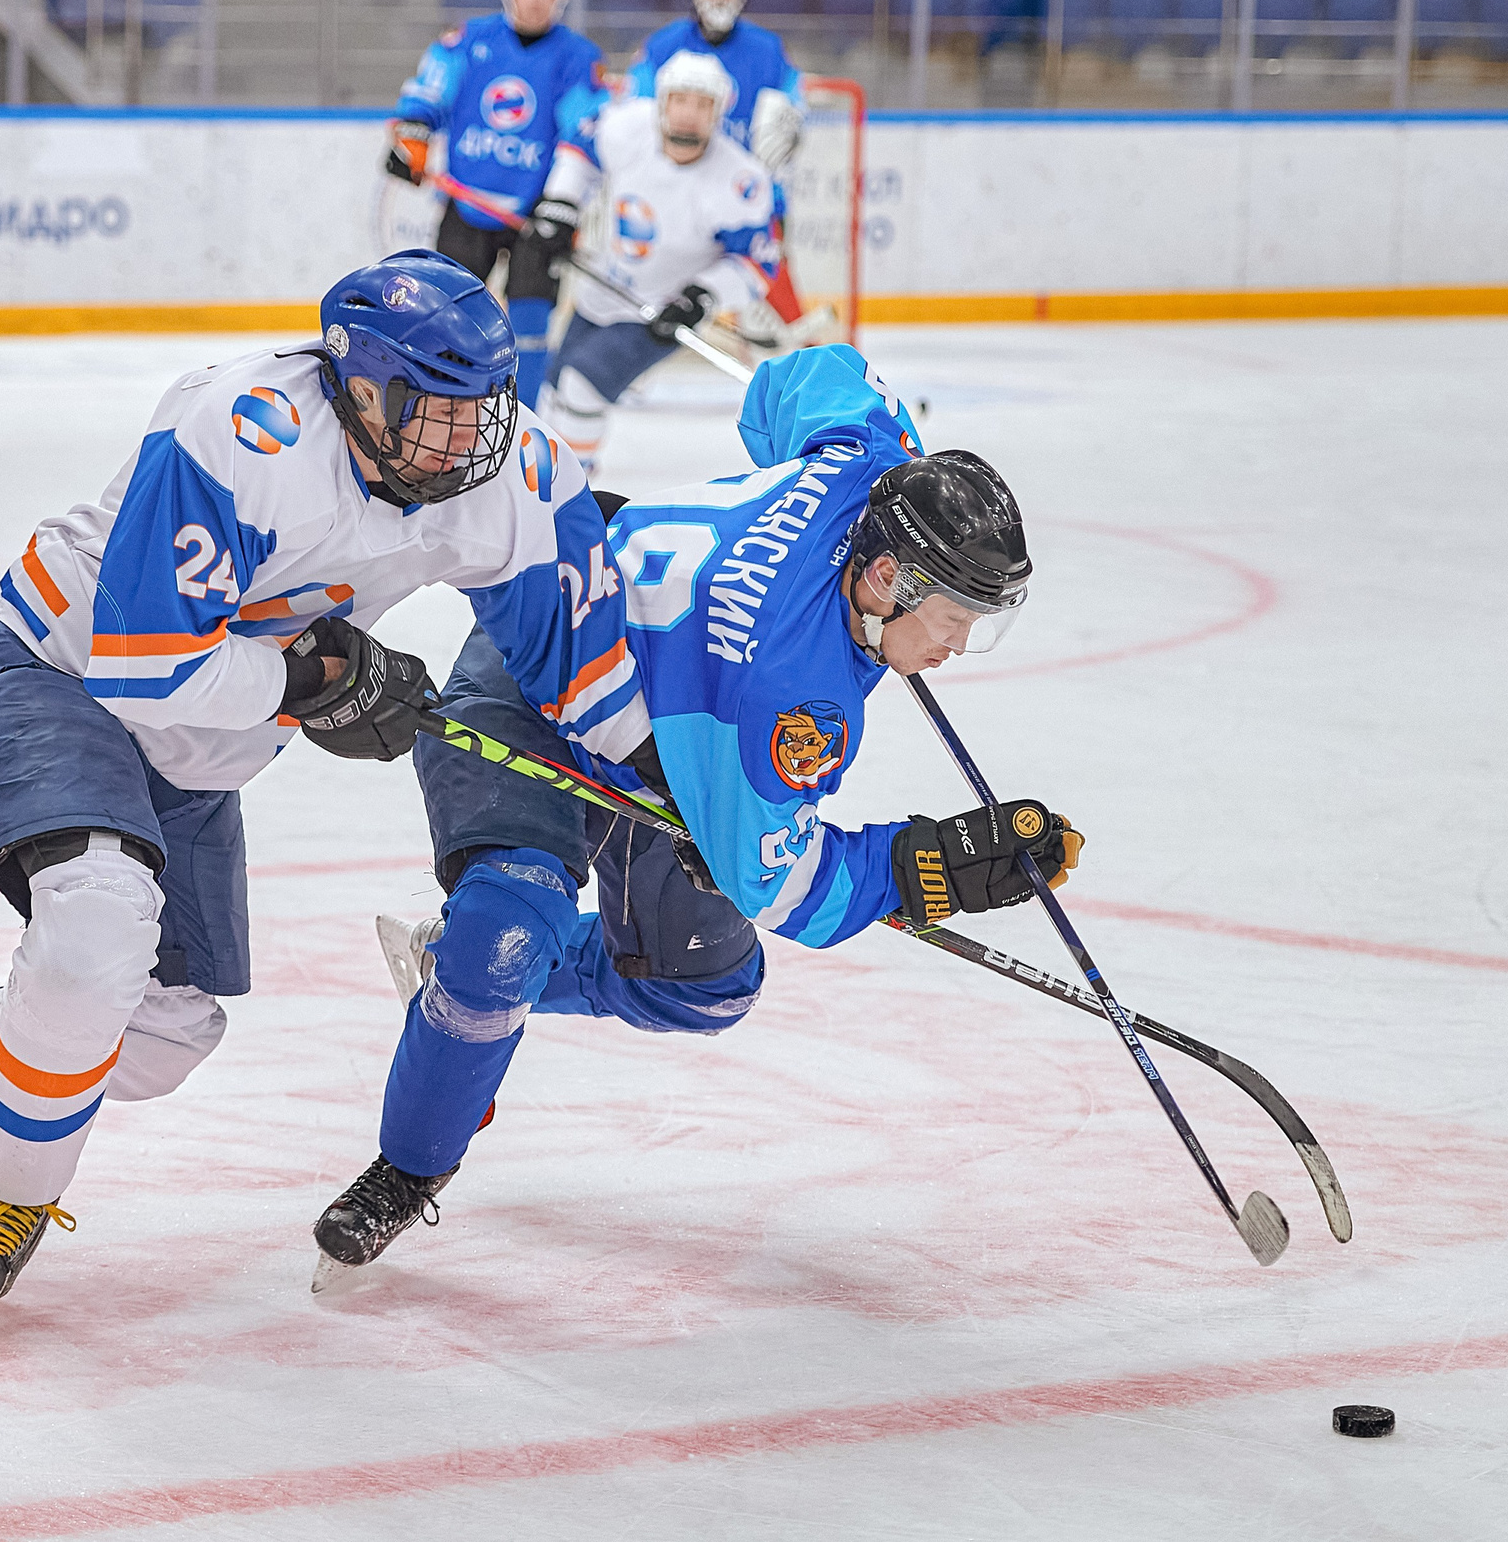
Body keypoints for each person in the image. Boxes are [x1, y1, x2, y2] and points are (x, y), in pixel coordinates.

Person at [0, 250, 631, 1327]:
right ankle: (13, 1202)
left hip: (196, 750)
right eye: (434, 412)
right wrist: (314, 680)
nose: (465, 442)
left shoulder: (508, 478)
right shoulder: (237, 431)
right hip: (55, 671)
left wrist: (684, 801)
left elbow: (589, 680)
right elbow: (145, 661)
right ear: (357, 385)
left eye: (480, 411)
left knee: (169, 1032)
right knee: (94, 928)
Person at [310, 345, 1083, 1282]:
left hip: (677, 736)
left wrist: (895, 470)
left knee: (701, 982)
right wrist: (923, 869)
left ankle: (457, 971)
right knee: (504, 935)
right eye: (956, 618)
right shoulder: (791, 701)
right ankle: (409, 1164)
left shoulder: (868, 461)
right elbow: (778, 883)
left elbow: (802, 377)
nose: (962, 645)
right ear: (884, 580)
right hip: (544, 679)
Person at [383, 0, 608, 410]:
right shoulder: (468, 40)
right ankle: (437, 404)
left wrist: (562, 204)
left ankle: (525, 419)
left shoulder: (576, 57)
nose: (535, 0)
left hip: (535, 210)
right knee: (446, 312)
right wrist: (413, 141)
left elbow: (582, 135)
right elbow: (427, 97)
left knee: (529, 318)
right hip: (467, 204)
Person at [533, 50, 777, 476]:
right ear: (662, 102)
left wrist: (702, 297)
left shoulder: (740, 180)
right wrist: (560, 206)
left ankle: (569, 495)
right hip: (601, 291)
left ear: (718, 112)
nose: (688, 115)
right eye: (680, 101)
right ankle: (544, 482)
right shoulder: (626, 126)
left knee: (582, 388)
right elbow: (578, 154)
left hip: (659, 313)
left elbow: (756, 267)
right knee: (553, 390)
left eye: (702, 105)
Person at [627, 0, 813, 341]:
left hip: (745, 192)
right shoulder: (663, 47)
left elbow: (794, 110)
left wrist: (781, 153)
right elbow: (638, 114)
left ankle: (813, 359)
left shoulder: (767, 50)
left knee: (770, 272)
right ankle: (628, 342)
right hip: (677, 190)